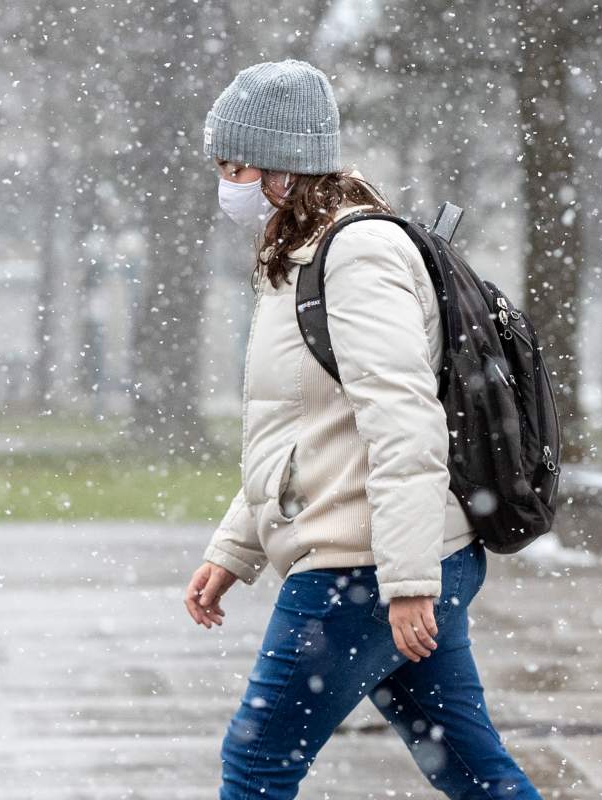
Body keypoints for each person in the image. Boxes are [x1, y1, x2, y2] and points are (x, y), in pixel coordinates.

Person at [184, 58, 544, 800]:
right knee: (475, 773)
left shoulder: (356, 254)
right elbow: (301, 436)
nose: (227, 183)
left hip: (364, 570)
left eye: (237, 164)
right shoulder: (299, 261)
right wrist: (235, 548)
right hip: (384, 562)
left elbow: (403, 421)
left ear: (285, 167)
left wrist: (406, 583)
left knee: (255, 765)